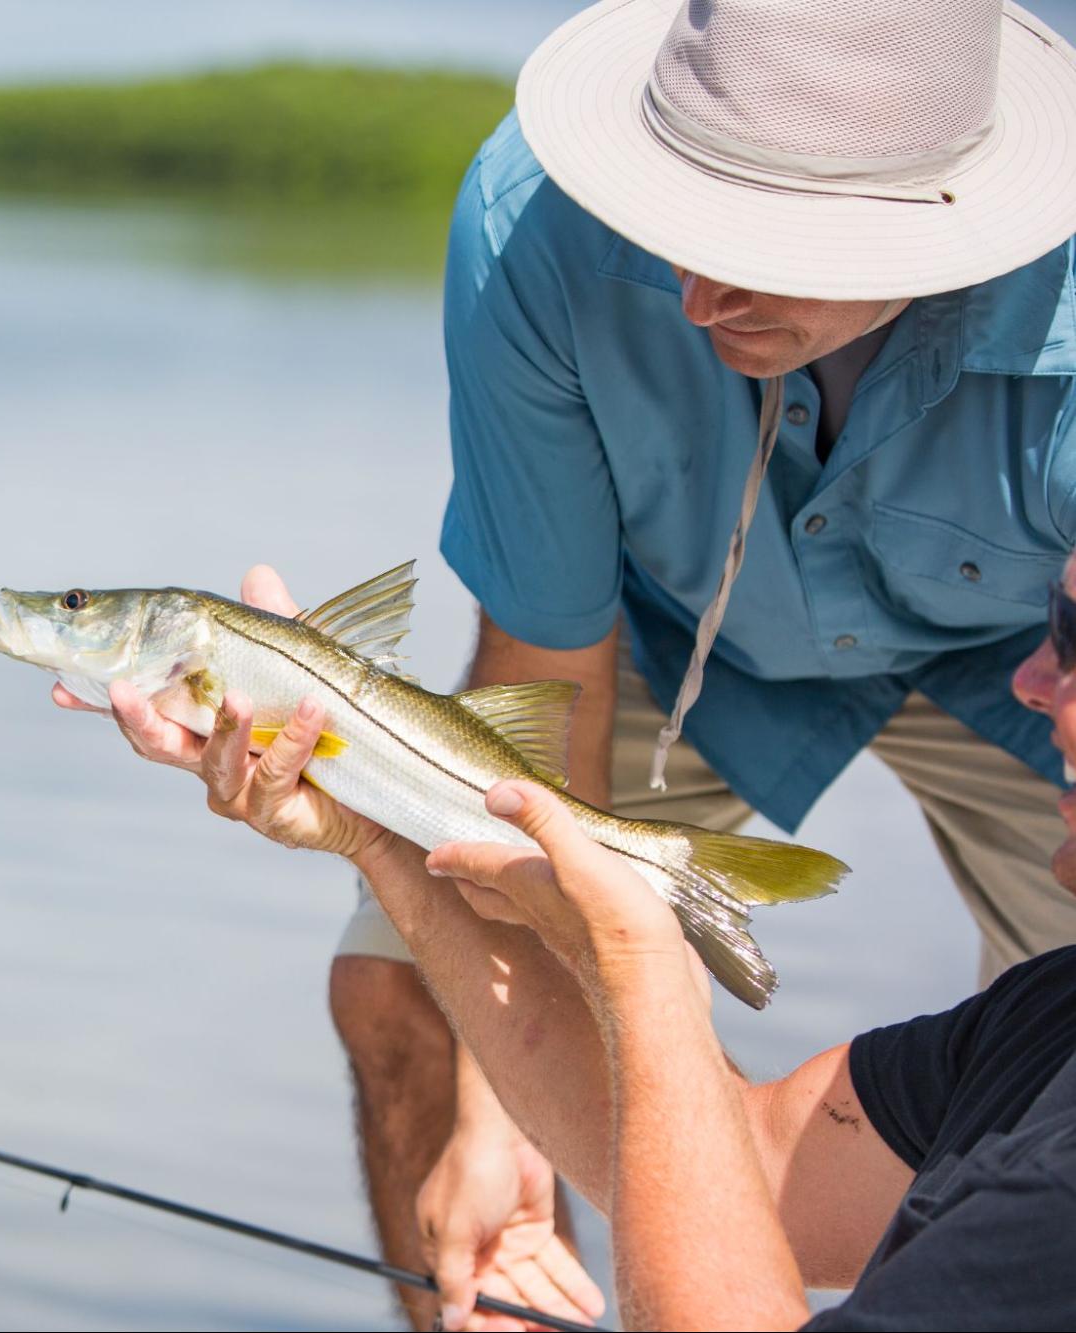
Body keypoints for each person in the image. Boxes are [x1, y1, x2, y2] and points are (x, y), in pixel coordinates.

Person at [310, 0, 1076, 1321]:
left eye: (765, 251)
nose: (692, 296)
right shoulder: (529, 231)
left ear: (944, 218)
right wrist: (503, 1116)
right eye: (678, 218)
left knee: (1034, 1079)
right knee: (402, 992)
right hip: (669, 640)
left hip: (1027, 661)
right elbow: (541, 670)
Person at [108, 545, 1076, 1329]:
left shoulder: (1051, 1195)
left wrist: (645, 970)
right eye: (1046, 620)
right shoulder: (1046, 1029)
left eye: (1072, 637)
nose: (1027, 681)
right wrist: (377, 835)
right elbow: (750, 1164)